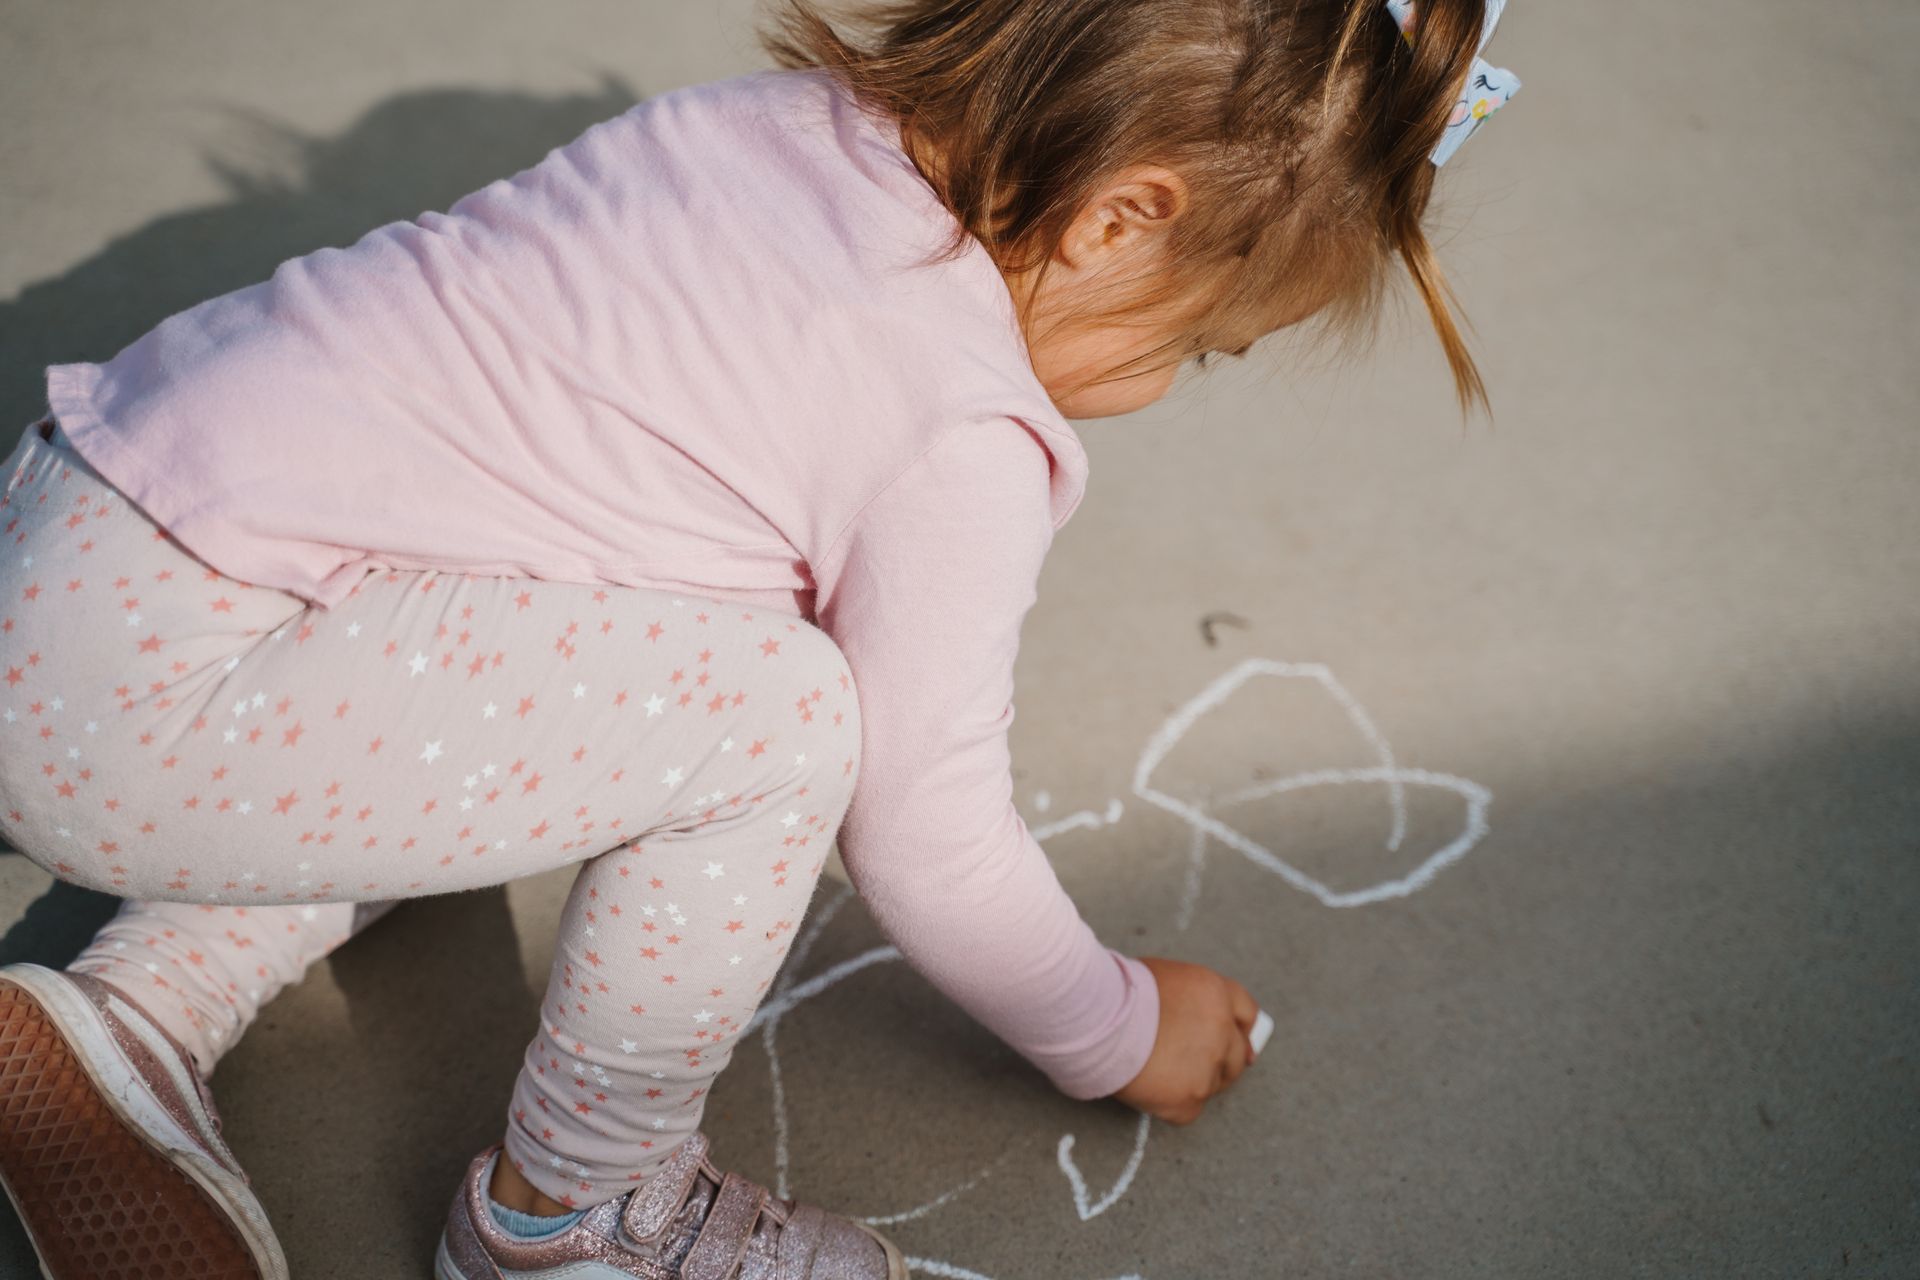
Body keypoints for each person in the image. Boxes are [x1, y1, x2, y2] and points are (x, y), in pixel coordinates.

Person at [0, 0, 1518, 1276]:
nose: (1173, 381)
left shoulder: (778, 131)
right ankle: (580, 1213)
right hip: (150, 700)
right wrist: (1113, 1030)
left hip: (85, 532)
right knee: (778, 721)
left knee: (564, 685)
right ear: (1127, 215)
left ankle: (126, 1019)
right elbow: (927, 831)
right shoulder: (956, 431)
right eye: (1198, 338)